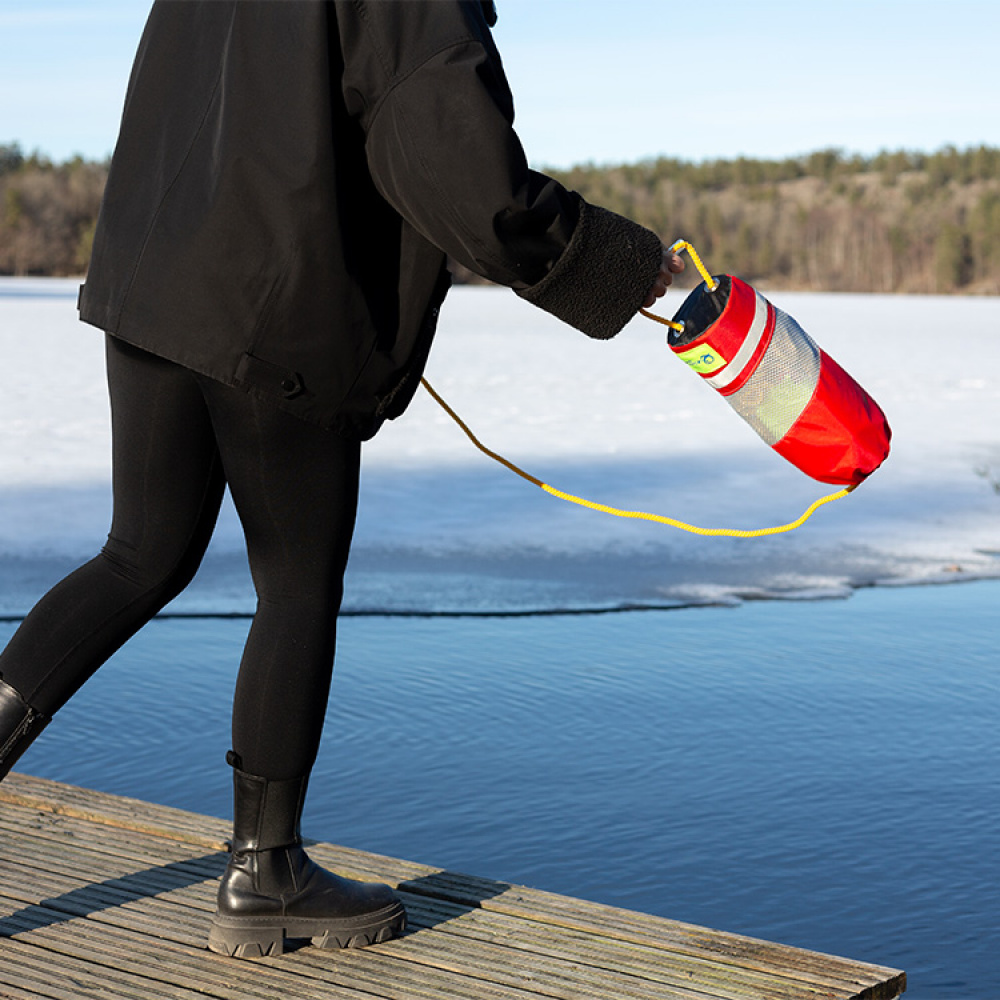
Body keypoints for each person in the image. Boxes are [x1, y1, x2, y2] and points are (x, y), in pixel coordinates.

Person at [0, 0, 683, 959]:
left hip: (155, 285)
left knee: (138, 555)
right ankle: (266, 876)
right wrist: (619, 264)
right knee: (296, 586)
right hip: (277, 307)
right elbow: (466, 175)